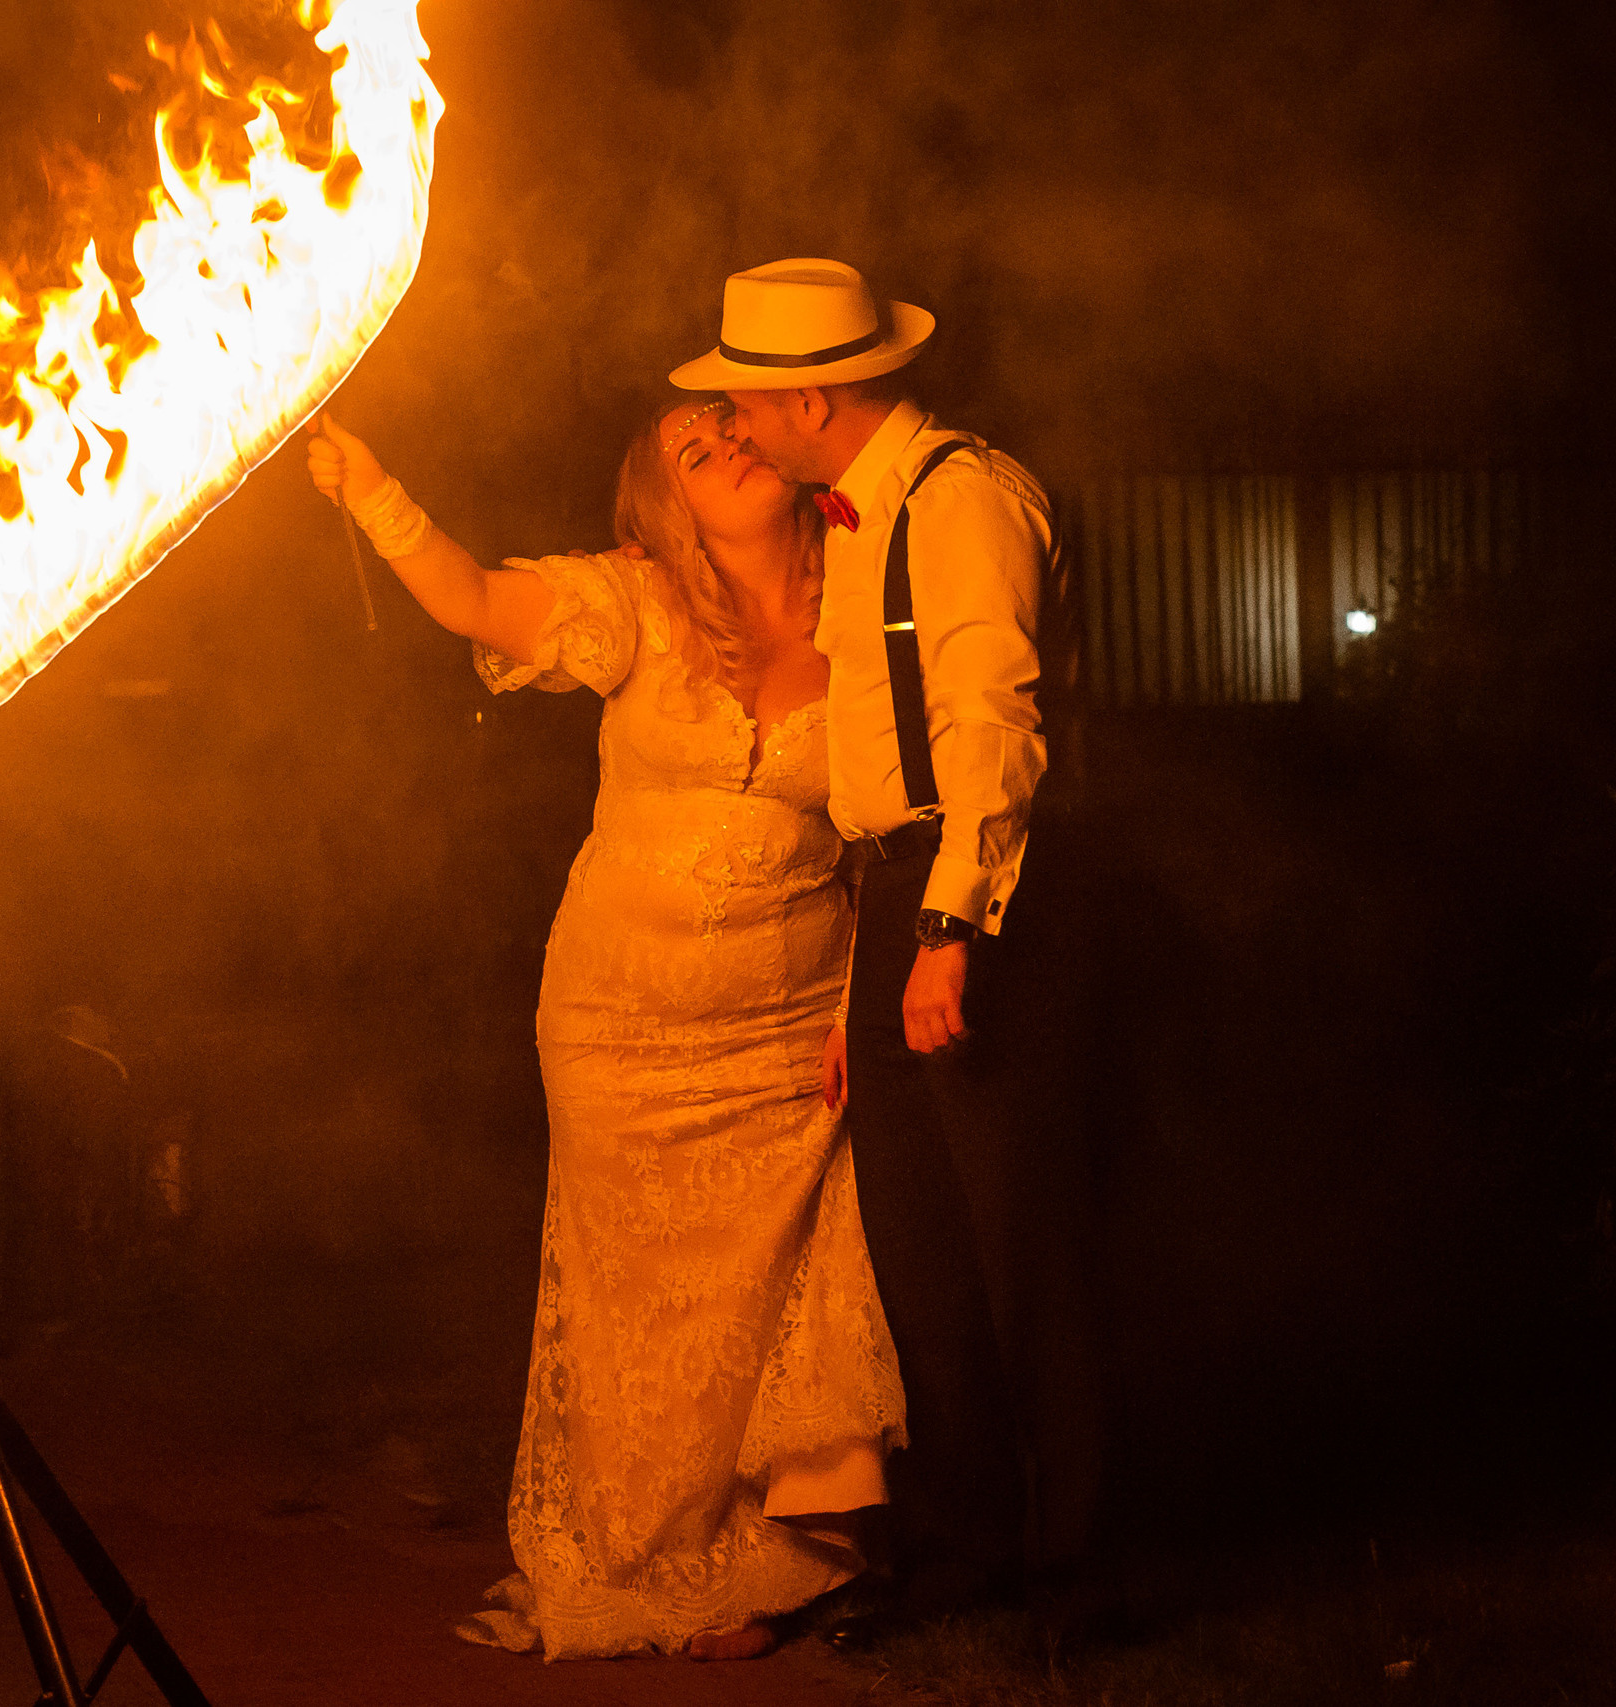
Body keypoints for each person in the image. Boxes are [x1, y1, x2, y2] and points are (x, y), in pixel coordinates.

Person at [306, 402, 906, 1660]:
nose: (730, 451)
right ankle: (629, 1557)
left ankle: (758, 1566)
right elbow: (470, 599)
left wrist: (862, 1003)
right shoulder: (632, 601)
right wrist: (374, 489)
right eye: (696, 453)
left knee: (769, 1299)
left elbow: (890, 834)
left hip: (790, 1024)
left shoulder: (872, 594)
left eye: (735, 431)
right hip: (617, 1023)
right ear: (667, 508)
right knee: (634, 1302)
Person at [673, 258, 1100, 1619]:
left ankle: (1079, 1576)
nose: (733, 427)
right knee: (923, 1255)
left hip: (976, 893)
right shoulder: (855, 518)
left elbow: (992, 726)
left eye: (745, 401)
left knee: (1024, 1250)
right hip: (894, 893)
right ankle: (971, 1554)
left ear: (813, 398)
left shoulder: (960, 496)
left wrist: (951, 928)